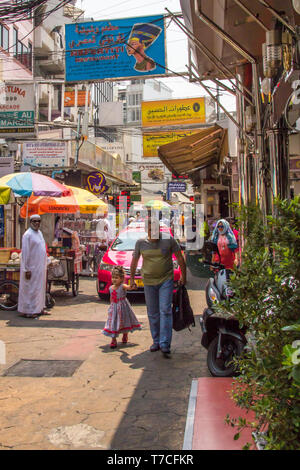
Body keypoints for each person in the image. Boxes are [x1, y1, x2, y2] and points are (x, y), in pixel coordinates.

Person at [130, 217, 187, 356]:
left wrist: (183, 276)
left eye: (155, 229)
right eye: (150, 229)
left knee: (165, 310)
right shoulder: (140, 243)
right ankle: (156, 340)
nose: (153, 232)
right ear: (146, 230)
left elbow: (180, 258)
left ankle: (165, 343)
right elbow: (134, 261)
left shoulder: (169, 240)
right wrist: (132, 279)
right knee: (153, 312)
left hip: (166, 280)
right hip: (148, 282)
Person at [18, 214, 50, 318]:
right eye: (34, 221)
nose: (37, 223)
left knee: (39, 289)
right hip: (31, 268)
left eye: (38, 221)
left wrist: (48, 261)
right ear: (30, 222)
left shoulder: (39, 233)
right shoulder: (27, 235)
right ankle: (29, 311)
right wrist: (26, 269)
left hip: (40, 268)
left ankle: (39, 308)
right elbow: (25, 253)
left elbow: (42, 249)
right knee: (30, 290)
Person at [102, 266, 141, 349]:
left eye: (116, 277)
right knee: (113, 322)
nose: (114, 279)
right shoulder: (110, 288)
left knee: (124, 321)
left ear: (122, 278)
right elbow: (111, 298)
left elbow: (129, 287)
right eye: (113, 277)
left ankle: (125, 334)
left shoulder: (122, 286)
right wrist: (111, 307)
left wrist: (133, 287)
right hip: (114, 309)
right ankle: (113, 339)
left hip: (123, 308)